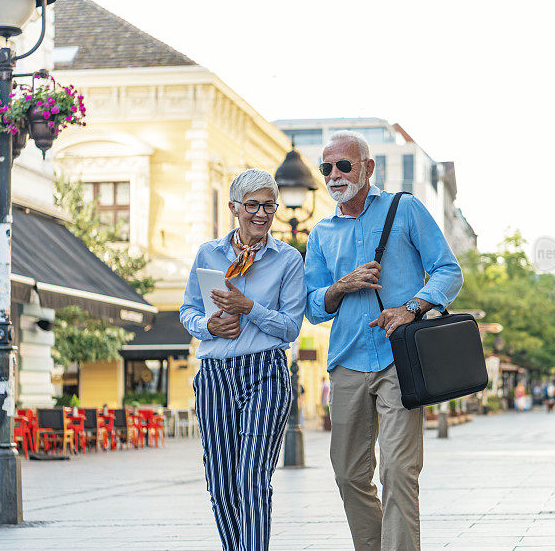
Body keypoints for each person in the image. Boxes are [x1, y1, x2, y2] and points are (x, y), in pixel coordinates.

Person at [304, 130, 463, 551]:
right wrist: (341, 285)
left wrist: (411, 306)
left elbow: (449, 271)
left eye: (343, 165)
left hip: (399, 360)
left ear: (368, 167)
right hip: (347, 362)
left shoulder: (404, 208)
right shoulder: (320, 233)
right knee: (349, 474)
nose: (334, 175)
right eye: (326, 168)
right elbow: (314, 306)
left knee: (398, 469)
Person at [180, 169, 305, 550]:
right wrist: (208, 326)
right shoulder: (208, 253)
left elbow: (290, 327)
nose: (262, 214)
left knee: (251, 478)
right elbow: (187, 310)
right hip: (215, 374)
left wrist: (249, 307)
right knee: (220, 483)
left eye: (270, 206)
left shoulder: (287, 260)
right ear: (234, 207)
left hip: (265, 371)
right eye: (253, 205)